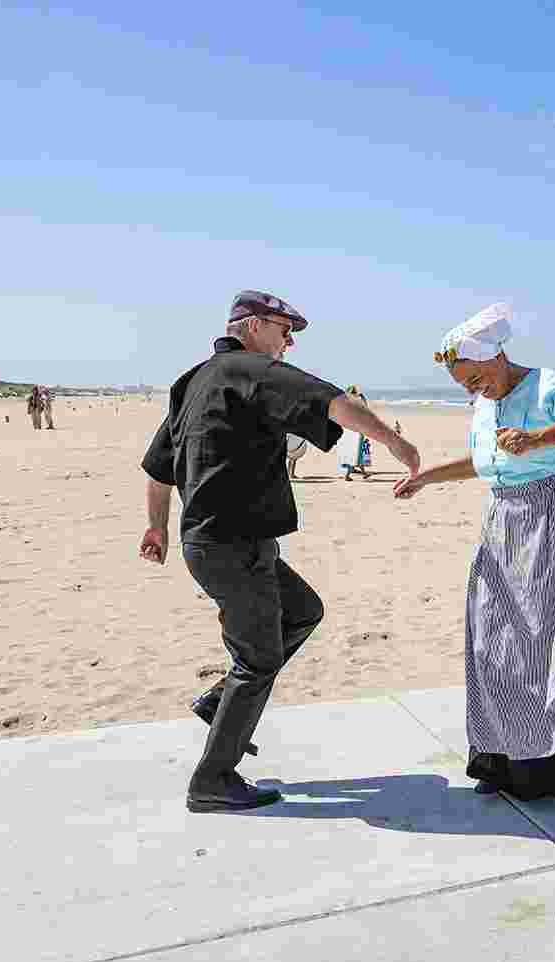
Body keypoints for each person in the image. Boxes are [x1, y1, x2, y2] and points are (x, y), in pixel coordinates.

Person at [139, 289, 420, 813]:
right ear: (251, 325)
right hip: (230, 543)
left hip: (217, 542)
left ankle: (219, 702)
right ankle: (213, 778)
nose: (289, 342)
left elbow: (158, 469)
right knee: (258, 658)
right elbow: (335, 403)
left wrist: (155, 530)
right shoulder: (251, 369)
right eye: (284, 329)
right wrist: (399, 446)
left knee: (303, 611)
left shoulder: (193, 382)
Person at [393, 302, 555, 801]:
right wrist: (428, 478)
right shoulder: (485, 404)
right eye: (463, 384)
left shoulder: (547, 385)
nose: (472, 390)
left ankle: (543, 770)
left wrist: (538, 438)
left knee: (543, 644)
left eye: (474, 378)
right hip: (504, 523)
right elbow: (484, 460)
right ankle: (499, 760)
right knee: (493, 643)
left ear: (497, 356)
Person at [336, 385, 373, 480]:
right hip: (357, 430)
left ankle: (363, 473)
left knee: (354, 453)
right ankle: (348, 475)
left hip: (349, 431)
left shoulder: (346, 404)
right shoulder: (356, 404)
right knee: (356, 453)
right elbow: (365, 410)